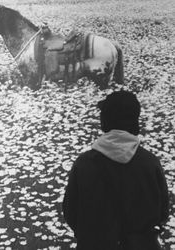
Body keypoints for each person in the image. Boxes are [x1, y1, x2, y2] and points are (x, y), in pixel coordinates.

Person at [63, 90, 169, 250]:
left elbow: (70, 211)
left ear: (104, 121)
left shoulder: (83, 164)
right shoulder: (150, 163)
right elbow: (162, 212)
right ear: (135, 121)